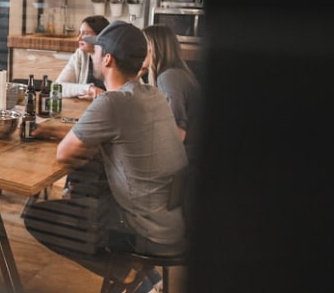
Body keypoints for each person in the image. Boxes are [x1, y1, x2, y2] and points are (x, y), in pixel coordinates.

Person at [24, 21, 188, 293]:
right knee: (90, 183)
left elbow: (64, 153)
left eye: (97, 50)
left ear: (108, 59)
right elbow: (104, 133)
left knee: (36, 216)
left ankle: (128, 275)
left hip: (144, 231)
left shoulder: (111, 103)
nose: (94, 55)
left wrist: (56, 136)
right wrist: (52, 130)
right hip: (171, 220)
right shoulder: (152, 94)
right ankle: (140, 276)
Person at [142, 24, 201, 163]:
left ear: (154, 49)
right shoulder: (178, 73)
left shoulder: (169, 77)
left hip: (188, 158)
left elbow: (176, 134)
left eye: (142, 46)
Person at [55, 15, 109, 100]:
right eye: (80, 33)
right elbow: (57, 87)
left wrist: (101, 95)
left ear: (100, 36)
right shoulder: (80, 55)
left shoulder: (112, 58)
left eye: (85, 33)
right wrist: (89, 88)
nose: (78, 38)